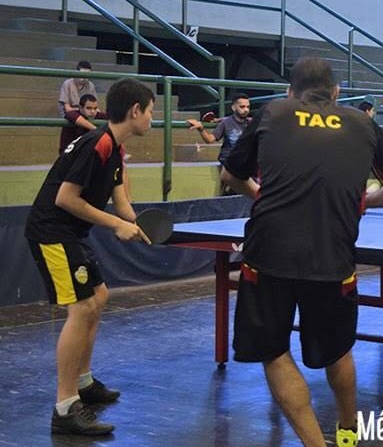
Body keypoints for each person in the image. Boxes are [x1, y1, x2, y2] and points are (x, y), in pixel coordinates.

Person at [220, 58, 383, 447]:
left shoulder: (273, 112)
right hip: (333, 255)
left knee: (274, 351)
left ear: (291, 92)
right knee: (337, 351)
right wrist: (363, 200)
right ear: (336, 93)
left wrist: (264, 194)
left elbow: (230, 175)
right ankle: (346, 432)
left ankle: (314, 443)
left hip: (267, 254)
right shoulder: (361, 122)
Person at [25, 78, 155, 436]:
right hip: (51, 231)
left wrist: (139, 225)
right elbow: (65, 199)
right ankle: (65, 407)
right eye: (150, 112)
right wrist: (115, 224)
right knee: (81, 307)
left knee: (98, 297)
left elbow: (122, 204)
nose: (152, 119)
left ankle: (83, 382)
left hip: (71, 233)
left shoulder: (113, 149)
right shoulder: (96, 143)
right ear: (135, 111)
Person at [186, 93, 252, 195]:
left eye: (248, 107)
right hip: (229, 162)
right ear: (234, 107)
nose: (246, 110)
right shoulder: (225, 123)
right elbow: (209, 140)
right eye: (242, 107)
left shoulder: (251, 123)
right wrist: (201, 128)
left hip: (245, 162)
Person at [58, 61, 99, 154]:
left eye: (87, 75)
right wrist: (82, 110)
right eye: (82, 74)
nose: (84, 77)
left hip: (86, 114)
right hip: (72, 116)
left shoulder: (90, 85)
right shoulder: (68, 84)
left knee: (104, 116)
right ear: (76, 72)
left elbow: (94, 105)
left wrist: (92, 111)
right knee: (72, 116)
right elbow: (67, 108)